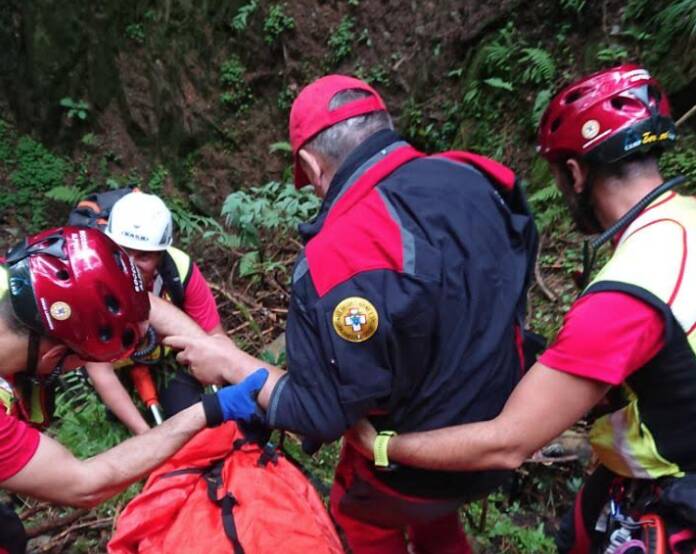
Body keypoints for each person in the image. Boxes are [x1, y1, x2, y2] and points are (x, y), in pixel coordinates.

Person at [165, 74, 538, 553]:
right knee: (432, 519)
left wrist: (231, 361)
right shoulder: (481, 177)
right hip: (499, 428)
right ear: (384, 126)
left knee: (354, 510)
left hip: (417, 464)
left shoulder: (335, 258)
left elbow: (318, 414)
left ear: (311, 164)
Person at [347, 65, 696, 552]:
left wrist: (381, 445)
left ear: (575, 173)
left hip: (676, 487)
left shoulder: (624, 294)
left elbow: (508, 442)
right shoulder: (685, 218)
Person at [0, 226, 267, 554]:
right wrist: (211, 409)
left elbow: (146, 305)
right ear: (52, 356)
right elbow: (84, 483)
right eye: (80, 362)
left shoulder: (15, 281)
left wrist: (219, 355)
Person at [86, 191, 223, 434]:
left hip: (163, 357)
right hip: (109, 364)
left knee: (189, 418)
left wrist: (233, 390)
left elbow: (215, 338)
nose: (131, 263)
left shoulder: (179, 270)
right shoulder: (90, 276)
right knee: (121, 431)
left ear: (161, 255)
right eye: (124, 251)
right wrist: (146, 437)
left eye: (144, 256)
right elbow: (99, 369)